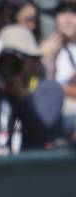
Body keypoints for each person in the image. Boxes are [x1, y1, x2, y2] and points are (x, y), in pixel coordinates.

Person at [0, 24, 65, 154]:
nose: (11, 63)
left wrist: (21, 96)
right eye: (6, 58)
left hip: (30, 169)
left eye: (18, 57)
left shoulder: (50, 88)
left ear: (32, 59)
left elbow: (41, 132)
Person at [41, 0, 76, 136]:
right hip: (50, 110)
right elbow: (32, 87)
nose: (67, 19)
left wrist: (61, 89)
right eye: (62, 12)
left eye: (74, 12)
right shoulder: (44, 47)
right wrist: (45, 61)